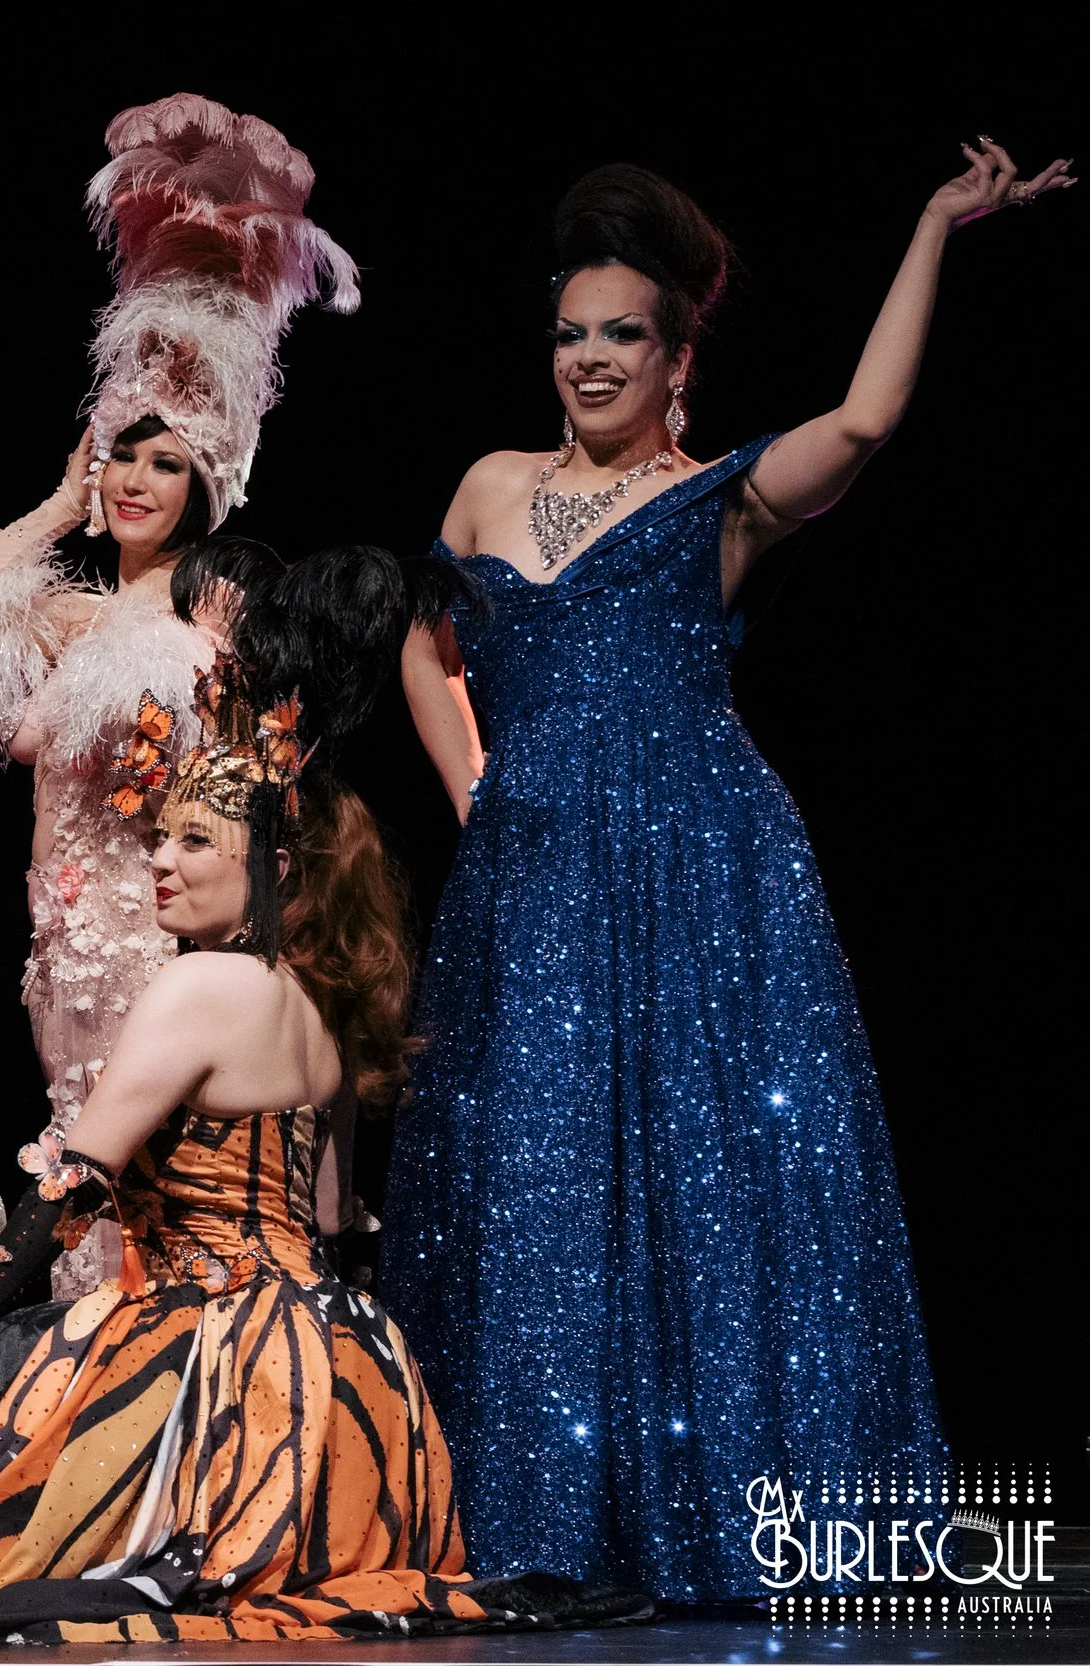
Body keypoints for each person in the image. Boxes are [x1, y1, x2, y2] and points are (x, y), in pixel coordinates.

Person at [386, 143, 1072, 1601]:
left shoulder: (720, 503)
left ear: (677, 352)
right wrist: (477, 790)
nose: (586, 359)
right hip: (531, 879)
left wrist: (936, 220)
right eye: (569, 332)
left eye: (620, 333)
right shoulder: (491, 482)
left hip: (700, 866)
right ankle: (539, 1529)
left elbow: (872, 417)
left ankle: (713, 1519)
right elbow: (424, 642)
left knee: (702, 1186)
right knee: (538, 1185)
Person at [0, 652, 642, 1644]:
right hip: (346, 1372)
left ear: (269, 865)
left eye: (194, 841)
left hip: (220, 1359)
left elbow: (71, 1177)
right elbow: (324, 1219)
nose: (160, 860)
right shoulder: (320, 1006)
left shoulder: (196, 987)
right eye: (159, 838)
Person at [0, 94, 363, 1295]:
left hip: (159, 944)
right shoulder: (71, 615)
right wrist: (60, 503)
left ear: (207, 483)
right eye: (126, 453)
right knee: (80, 1191)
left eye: (168, 461)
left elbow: (252, 801)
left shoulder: (205, 632)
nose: (140, 480)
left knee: (141, 1210)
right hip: (59, 948)